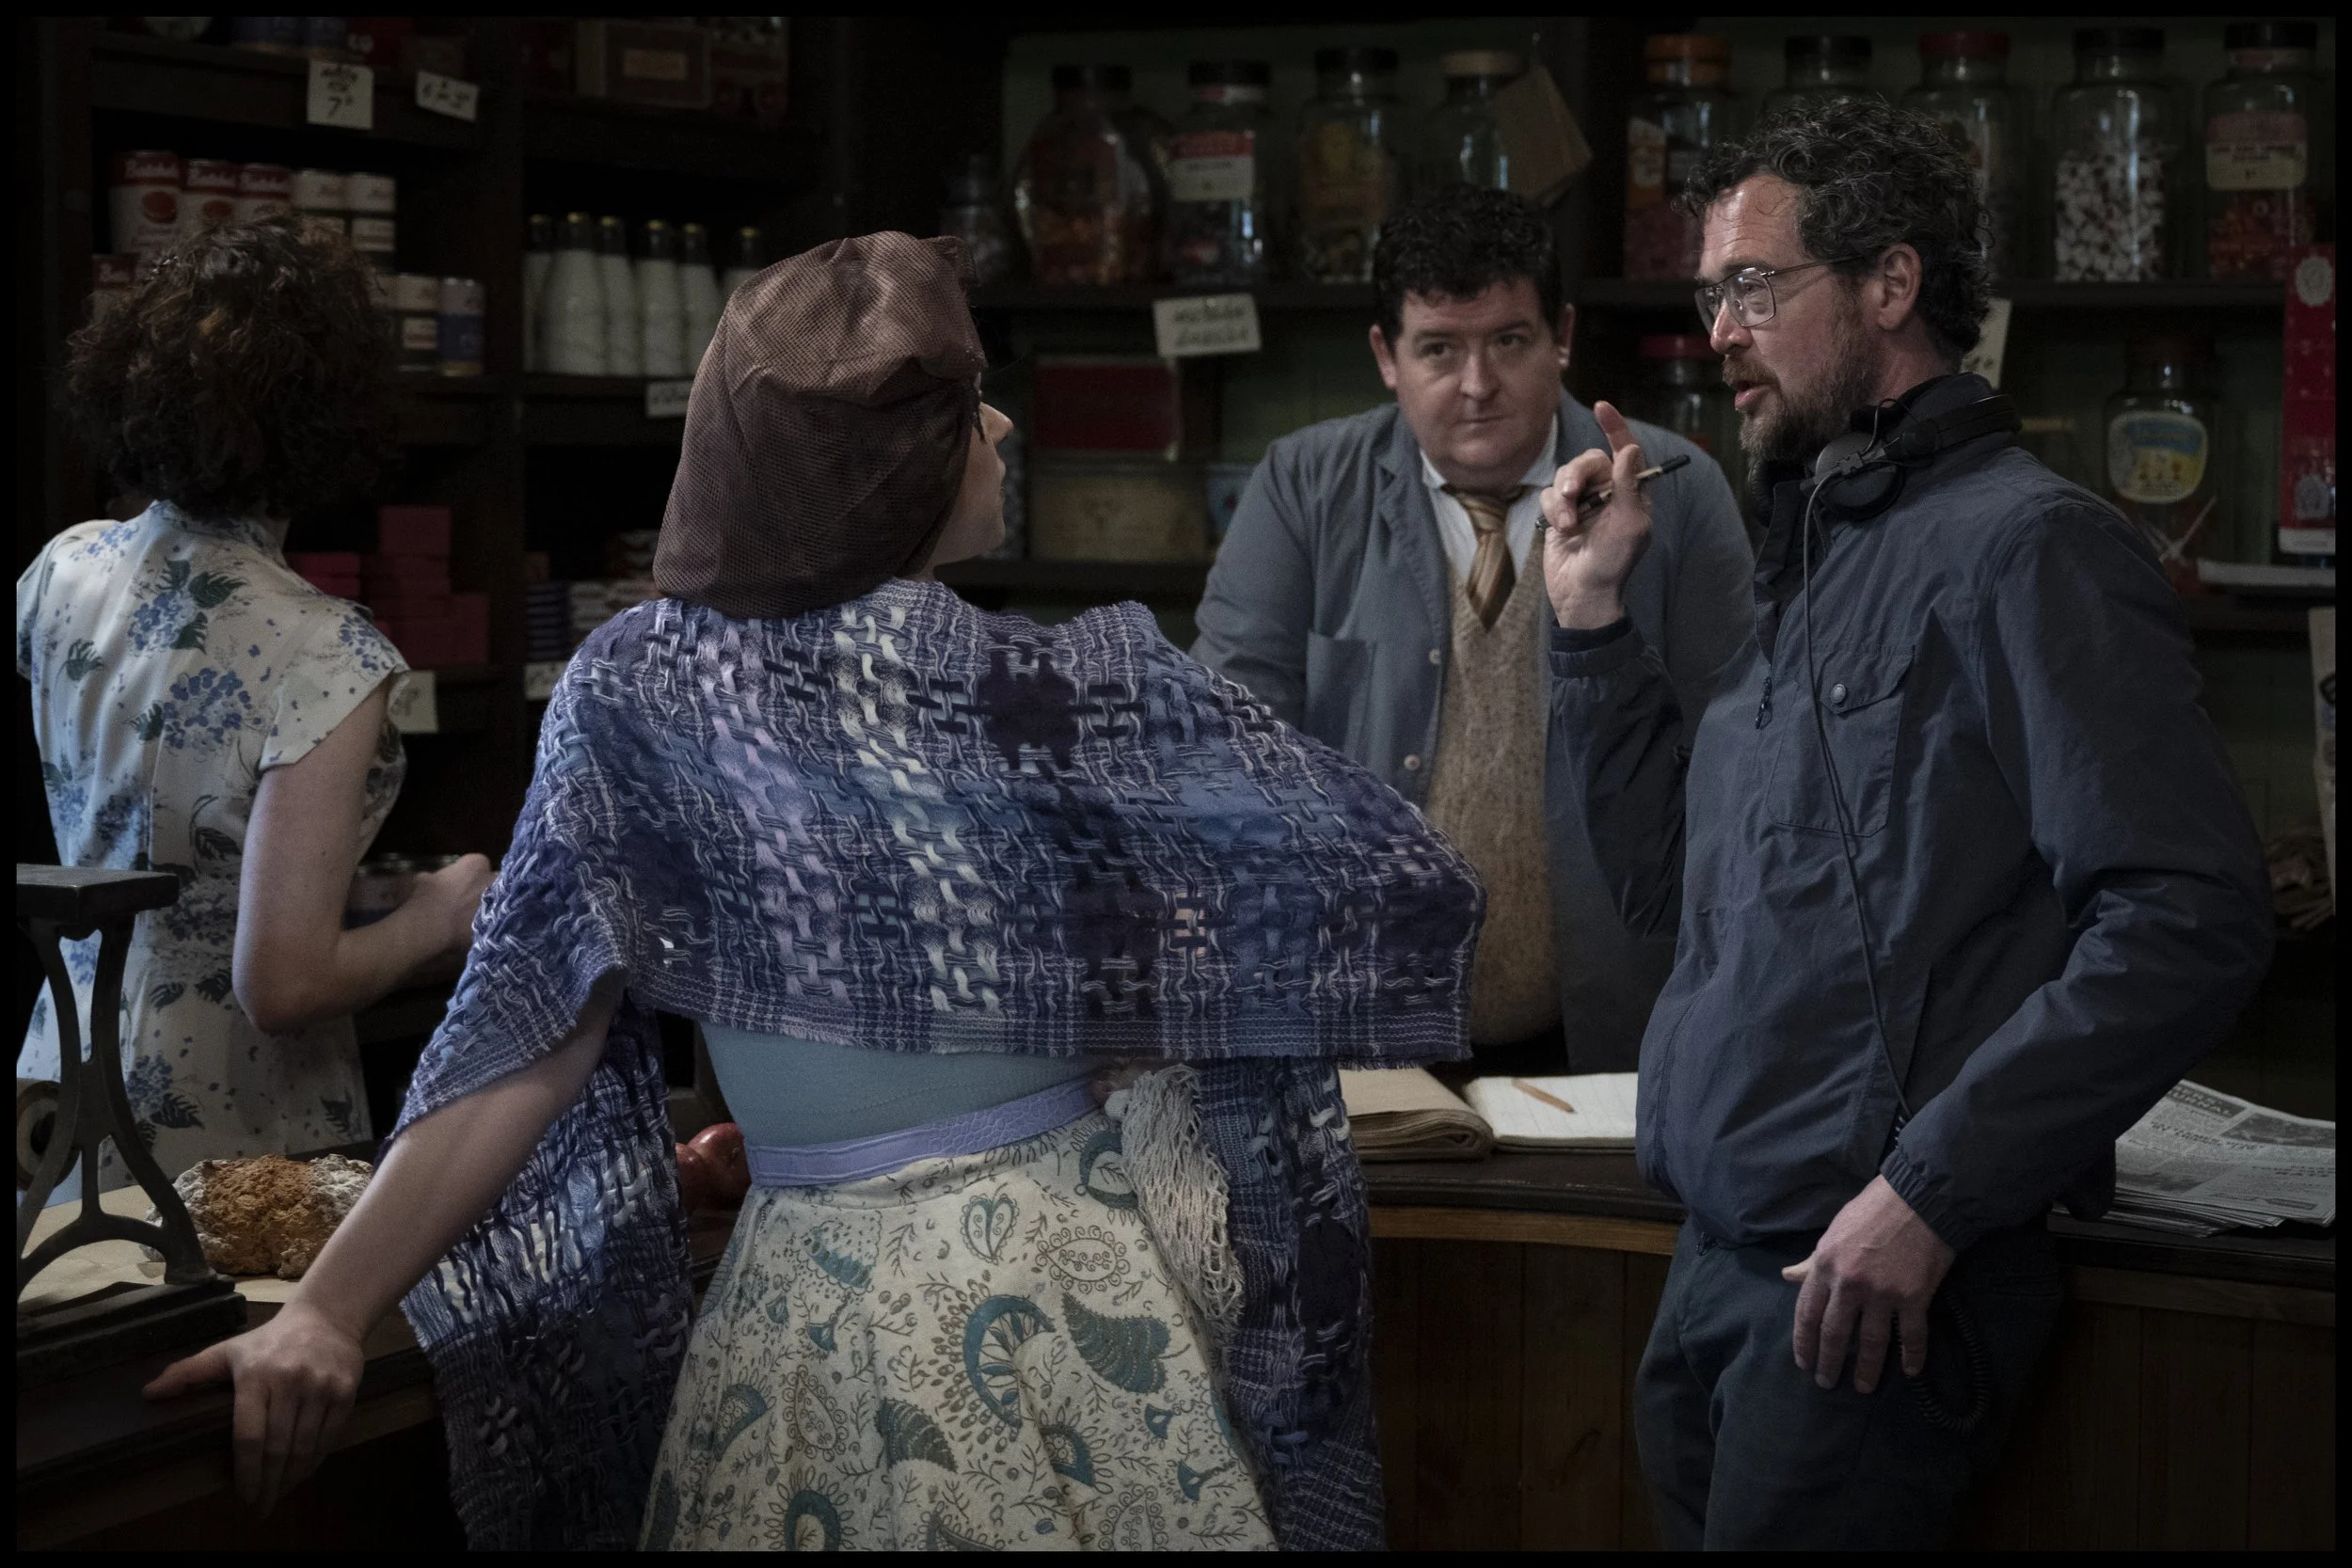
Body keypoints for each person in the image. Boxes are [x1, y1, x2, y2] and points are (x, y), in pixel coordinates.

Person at [147, 232, 1485, 1552]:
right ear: (887, 468)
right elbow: (1385, 880)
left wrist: (329, 1305)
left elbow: (525, 1038)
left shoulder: (651, 693)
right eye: (966, 409)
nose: (1002, 428)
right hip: (1055, 1292)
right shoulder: (1056, 699)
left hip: (818, 1310)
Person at [1537, 101, 2273, 1549]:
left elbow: (2189, 913)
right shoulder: (1818, 547)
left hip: (1870, 1285)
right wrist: (1590, 618)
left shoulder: (2031, 545)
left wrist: (1929, 1197)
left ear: (1890, 283)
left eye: (1755, 285)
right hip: (1718, 1265)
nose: (1719, 332)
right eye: (1710, 294)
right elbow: (1672, 890)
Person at [1193, 184, 1752, 1073]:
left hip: (1616, 1033)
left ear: (1562, 335)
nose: (1478, 385)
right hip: (1362, 1032)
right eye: (1439, 349)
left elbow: (1739, 769)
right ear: (1386, 355)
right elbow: (1222, 753)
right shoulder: (1304, 488)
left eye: (1510, 341)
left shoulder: (1675, 491)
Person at [16, 222, 491, 1195]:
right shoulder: (326, 650)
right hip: (232, 1120)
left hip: (60, 1070)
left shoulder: (61, 569)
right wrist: (438, 915)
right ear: (331, 415)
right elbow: (284, 982)